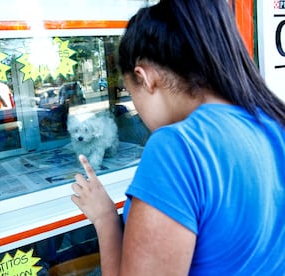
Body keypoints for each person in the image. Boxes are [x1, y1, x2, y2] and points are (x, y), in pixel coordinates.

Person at [71, 0, 285, 275]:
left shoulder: (177, 148)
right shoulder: (274, 121)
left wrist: (105, 219)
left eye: (132, 94)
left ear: (144, 77)